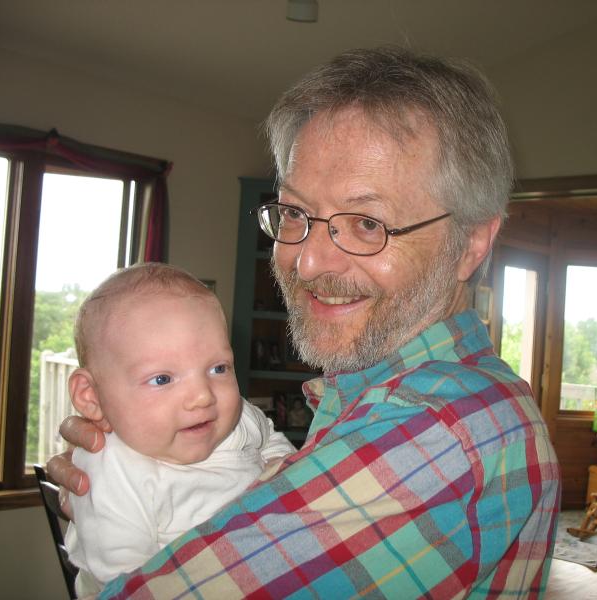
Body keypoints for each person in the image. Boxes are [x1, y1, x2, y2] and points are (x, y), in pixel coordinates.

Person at [48, 46, 561, 598]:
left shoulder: (435, 431)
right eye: (294, 213)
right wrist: (129, 469)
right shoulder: (388, 400)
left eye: (367, 223)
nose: (308, 261)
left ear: (472, 243)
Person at [61, 262, 295, 596]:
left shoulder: (238, 419)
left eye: (218, 368)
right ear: (91, 396)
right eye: (162, 379)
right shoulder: (112, 469)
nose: (202, 396)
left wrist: (282, 470)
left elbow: (272, 441)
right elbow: (125, 583)